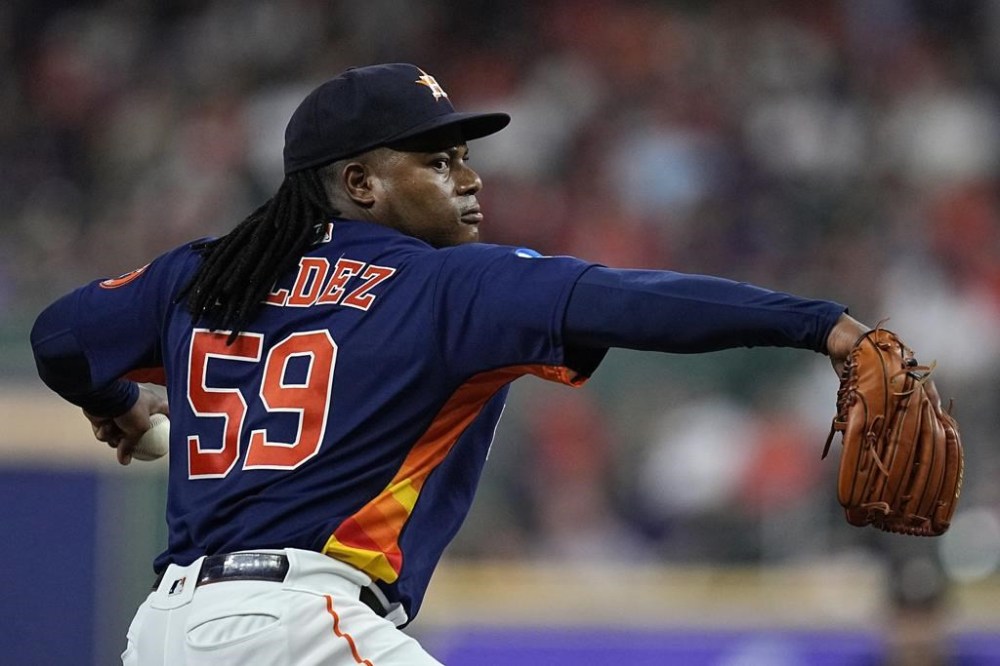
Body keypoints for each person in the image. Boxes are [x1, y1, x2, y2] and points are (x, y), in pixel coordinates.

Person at [31, 63, 870, 665]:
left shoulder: (204, 273)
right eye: (437, 161)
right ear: (360, 183)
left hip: (164, 633)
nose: (469, 179)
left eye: (463, 157)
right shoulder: (446, 283)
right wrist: (820, 325)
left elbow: (60, 337)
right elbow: (634, 300)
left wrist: (118, 402)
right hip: (299, 627)